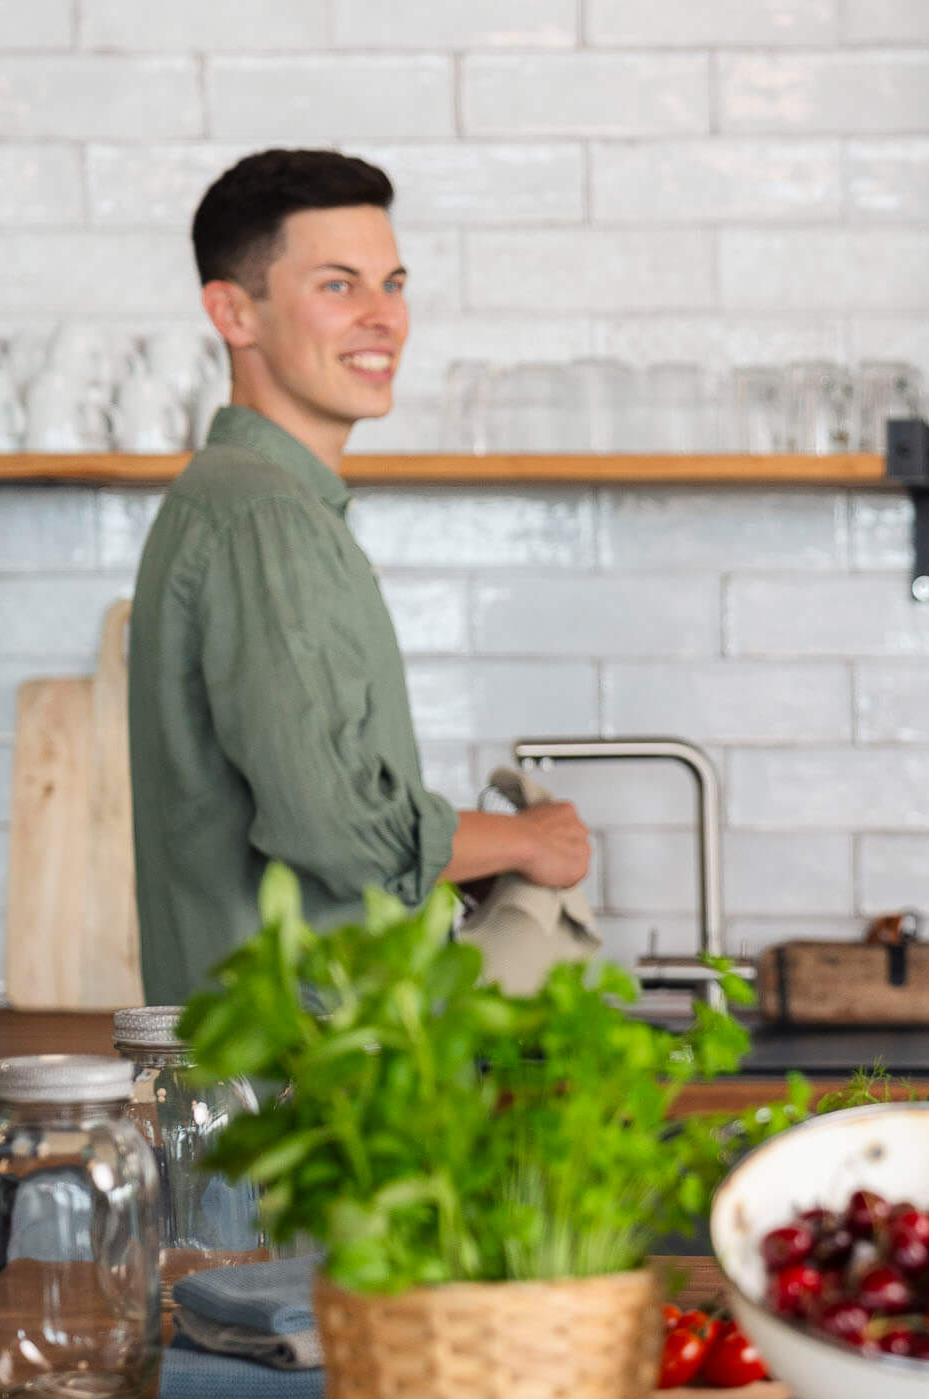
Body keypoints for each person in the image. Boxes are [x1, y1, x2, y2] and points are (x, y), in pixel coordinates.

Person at [129, 149, 590, 1007]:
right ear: (234, 312)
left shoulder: (249, 503)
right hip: (310, 1089)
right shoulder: (266, 520)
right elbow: (336, 830)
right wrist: (525, 842)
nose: (384, 317)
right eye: (339, 286)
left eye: (394, 283)